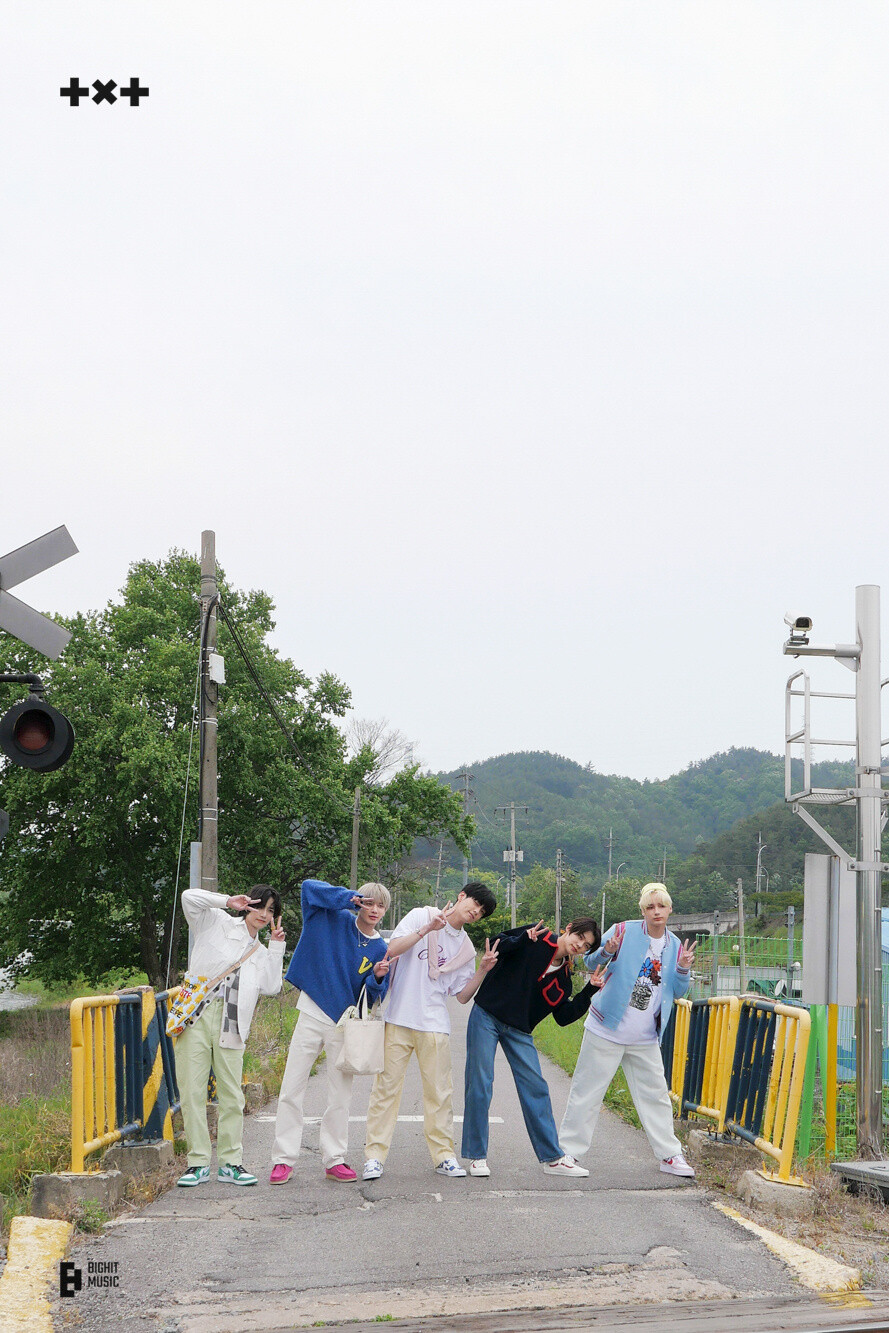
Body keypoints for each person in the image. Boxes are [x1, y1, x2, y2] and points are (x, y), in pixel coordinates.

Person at [558, 883, 697, 1178]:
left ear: (670, 909)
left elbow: (677, 990)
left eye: (661, 906)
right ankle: (568, 1152)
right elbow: (588, 960)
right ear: (643, 911)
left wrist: (683, 968)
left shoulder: (674, 946)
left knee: (656, 1095)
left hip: (645, 1036)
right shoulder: (622, 930)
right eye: (650, 907)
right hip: (606, 1027)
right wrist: (607, 951)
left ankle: (669, 1155)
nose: (656, 912)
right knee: (587, 1091)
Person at [362, 883, 497, 1181]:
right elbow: (391, 949)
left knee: (439, 1094)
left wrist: (482, 970)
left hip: (435, 1024)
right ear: (461, 896)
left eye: (482, 912)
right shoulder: (420, 914)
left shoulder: (464, 948)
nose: (476, 911)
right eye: (476, 903)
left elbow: (461, 996)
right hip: (398, 1017)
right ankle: (374, 1156)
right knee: (385, 1090)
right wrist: (427, 929)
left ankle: (444, 1155)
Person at [269, 879, 391, 1184]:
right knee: (291, 1089)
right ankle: (283, 1159)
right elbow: (309, 888)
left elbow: (373, 997)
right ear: (358, 902)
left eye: (380, 905)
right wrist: (349, 899)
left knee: (340, 1096)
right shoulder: (330, 917)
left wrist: (377, 978)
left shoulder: (380, 947)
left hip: (344, 1024)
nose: (374, 909)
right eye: (369, 902)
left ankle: (334, 1159)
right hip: (311, 1011)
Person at [460, 916, 602, 1178]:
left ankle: (552, 1159)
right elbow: (497, 946)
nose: (579, 946)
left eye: (585, 946)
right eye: (579, 938)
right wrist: (521, 940)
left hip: (519, 1031)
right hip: (487, 1015)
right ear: (568, 929)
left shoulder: (564, 980)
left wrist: (589, 992)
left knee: (536, 1087)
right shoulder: (536, 935)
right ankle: (477, 1156)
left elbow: (563, 1017)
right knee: (480, 1083)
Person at [176, 884, 285, 1188]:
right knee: (191, 1089)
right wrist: (228, 901)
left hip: (233, 1021)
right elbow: (188, 897)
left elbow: (272, 986)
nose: (264, 915)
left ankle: (230, 1163)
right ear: (247, 905)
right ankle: (197, 1162)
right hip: (197, 1013)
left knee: (231, 1095)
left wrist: (276, 947)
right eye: (259, 907)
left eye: (270, 911)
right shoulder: (216, 921)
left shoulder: (261, 952)